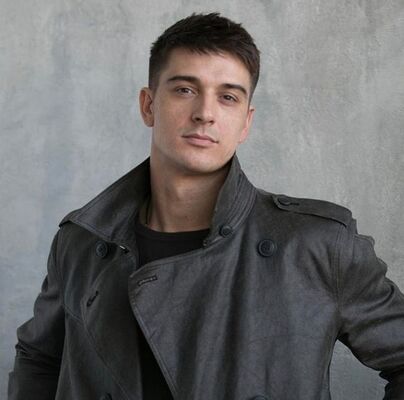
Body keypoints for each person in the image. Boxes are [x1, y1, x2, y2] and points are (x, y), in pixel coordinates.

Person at [8, 12, 404, 400]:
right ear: (148, 105)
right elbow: (39, 359)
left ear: (245, 122)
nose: (205, 114)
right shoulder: (81, 242)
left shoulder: (318, 245)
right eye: (185, 89)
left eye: (228, 97)